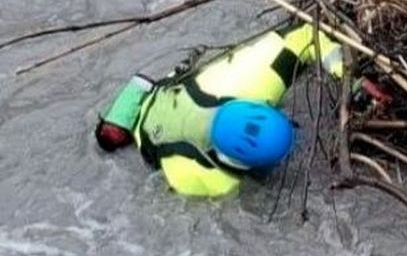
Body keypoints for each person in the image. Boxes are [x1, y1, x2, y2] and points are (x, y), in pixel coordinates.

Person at [94, 21, 365, 197]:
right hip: (157, 114)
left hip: (177, 98)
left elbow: (308, 32)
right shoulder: (201, 178)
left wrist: (354, 82)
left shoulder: (249, 82)